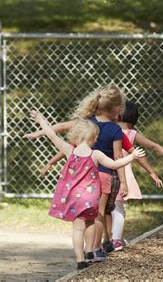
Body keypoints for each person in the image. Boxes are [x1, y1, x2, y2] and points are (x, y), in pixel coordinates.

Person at [24, 114, 145, 270]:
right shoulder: (96, 154)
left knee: (78, 228)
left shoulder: (69, 150)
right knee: (90, 223)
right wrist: (132, 156)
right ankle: (89, 251)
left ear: (76, 136)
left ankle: (80, 259)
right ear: (93, 138)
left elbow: (51, 134)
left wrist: (41, 120)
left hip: (75, 198)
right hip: (91, 197)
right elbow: (115, 164)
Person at [24, 84, 127, 261]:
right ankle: (96, 249)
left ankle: (85, 254)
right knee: (99, 214)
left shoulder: (85, 124)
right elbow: (118, 157)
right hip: (103, 176)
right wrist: (124, 181)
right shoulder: (115, 129)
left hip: (81, 184)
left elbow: (59, 130)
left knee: (83, 221)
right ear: (117, 108)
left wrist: (40, 130)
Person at [111, 100, 163, 250]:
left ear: (117, 115)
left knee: (107, 208)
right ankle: (115, 239)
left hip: (106, 173)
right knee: (118, 208)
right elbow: (151, 147)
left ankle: (108, 239)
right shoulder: (131, 134)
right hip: (123, 175)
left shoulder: (108, 130)